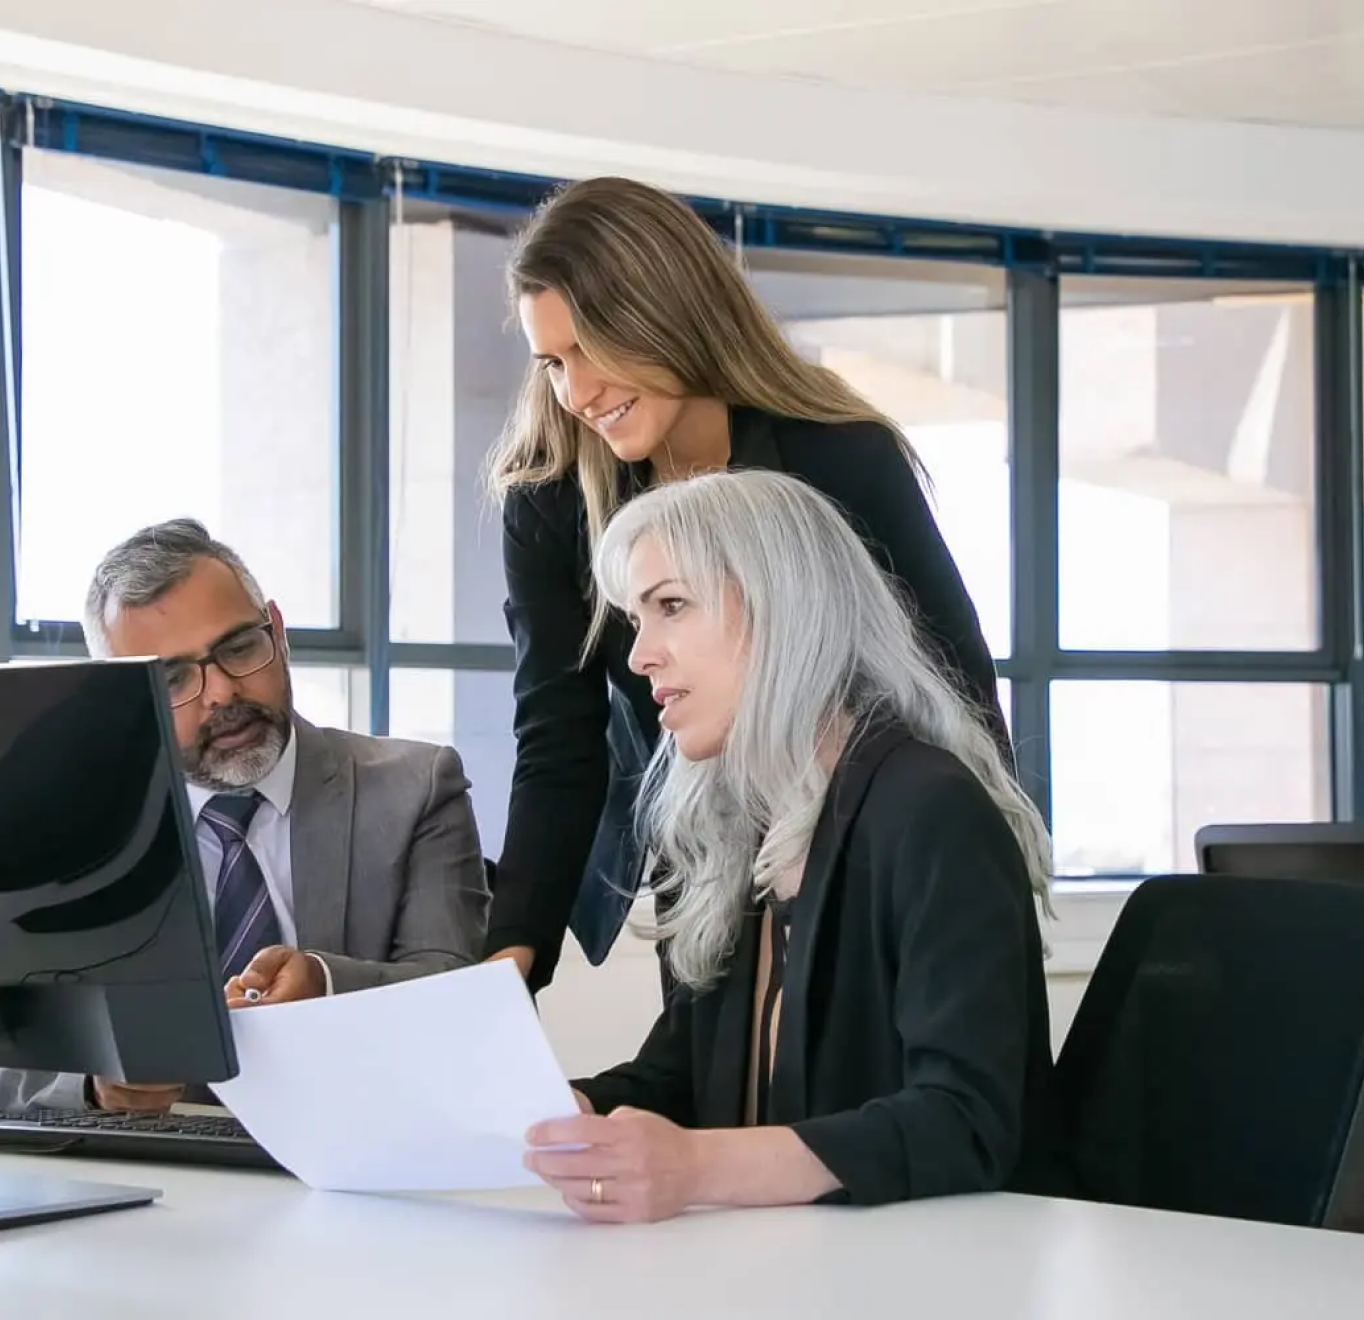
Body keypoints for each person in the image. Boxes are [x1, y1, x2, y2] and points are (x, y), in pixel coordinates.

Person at [485, 174, 1010, 993]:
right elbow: (558, 740)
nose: (577, 394)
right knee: (712, 1085)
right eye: (553, 362)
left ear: (665, 312)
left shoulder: (840, 457)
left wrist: (990, 889)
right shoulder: (550, 504)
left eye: (593, 346)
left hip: (868, 843)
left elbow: (953, 683)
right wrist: (510, 957)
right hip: (699, 854)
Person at [522, 470, 1057, 1222]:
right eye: (636, 620)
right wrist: (569, 1118)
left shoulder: (934, 811)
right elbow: (686, 1075)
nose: (639, 656)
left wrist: (696, 1167)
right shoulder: (741, 823)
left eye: (671, 606)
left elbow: (964, 1122)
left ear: (783, 611)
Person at [0, 518, 490, 1116]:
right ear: (119, 695)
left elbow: (457, 1001)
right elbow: (14, 1048)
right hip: (149, 1171)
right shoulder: (62, 830)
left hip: (356, 1150)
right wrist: (91, 1089)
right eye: (173, 676)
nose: (222, 694)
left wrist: (325, 985)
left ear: (277, 633)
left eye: (238, 649)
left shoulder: (415, 787)